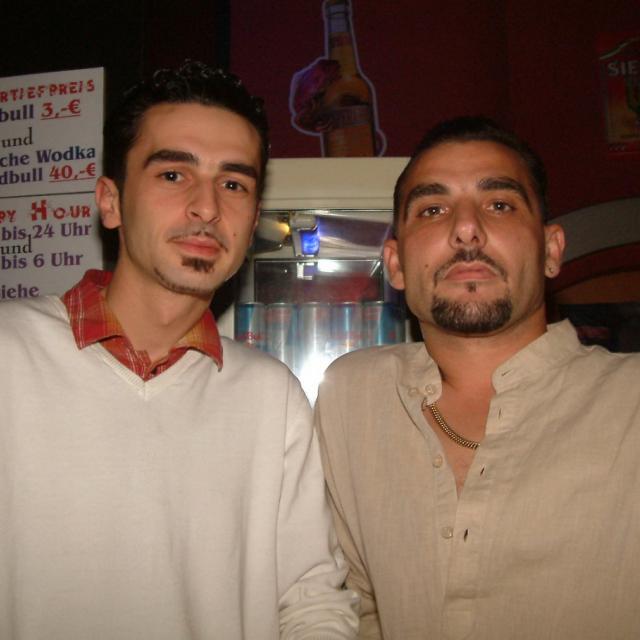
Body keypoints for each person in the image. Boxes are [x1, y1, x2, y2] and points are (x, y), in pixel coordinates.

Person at [0, 61, 358, 639]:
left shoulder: (271, 396)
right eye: (173, 174)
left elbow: (311, 598)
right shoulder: (9, 355)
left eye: (234, 184)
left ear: (252, 219)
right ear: (110, 202)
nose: (207, 207)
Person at [315, 116, 640, 639]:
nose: (466, 228)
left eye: (500, 204)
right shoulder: (352, 397)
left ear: (551, 250)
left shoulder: (631, 403)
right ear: (395, 264)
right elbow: (345, 606)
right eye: (433, 209)